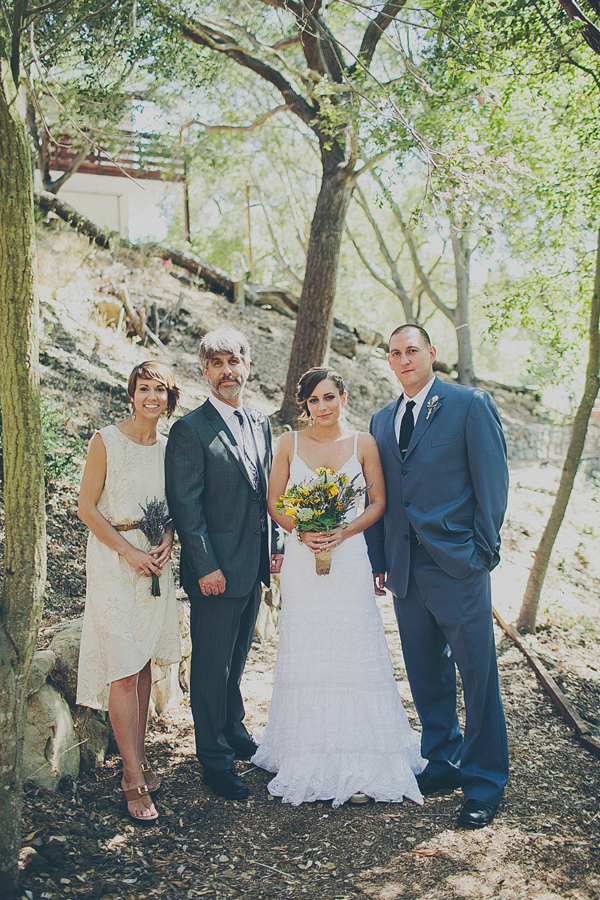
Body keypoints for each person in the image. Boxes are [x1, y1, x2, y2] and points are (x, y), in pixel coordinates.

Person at [251, 367, 425, 808]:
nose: (322, 407)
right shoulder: (287, 444)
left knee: (353, 645)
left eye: (329, 397)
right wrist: (303, 530)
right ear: (304, 404)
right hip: (301, 557)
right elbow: (273, 501)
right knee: (307, 648)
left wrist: (343, 533)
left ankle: (364, 754)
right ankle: (304, 750)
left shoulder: (364, 443)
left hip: (348, 556)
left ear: (343, 397)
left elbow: (380, 501)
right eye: (313, 401)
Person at [365, 324, 509, 829]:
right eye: (395, 353)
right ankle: (443, 761)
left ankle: (485, 781)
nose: (404, 360)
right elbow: (378, 497)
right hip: (406, 570)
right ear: (389, 361)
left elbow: (492, 481)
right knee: (426, 672)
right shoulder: (382, 421)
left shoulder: (469, 404)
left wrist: (482, 553)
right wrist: (378, 558)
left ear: (431, 354)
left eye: (412, 351)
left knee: (477, 675)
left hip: (458, 565)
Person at [165, 327, 284, 801]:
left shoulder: (259, 423)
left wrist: (273, 547)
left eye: (234, 362)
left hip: (251, 566)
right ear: (204, 372)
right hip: (214, 572)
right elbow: (185, 506)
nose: (227, 371)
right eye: (217, 364)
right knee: (211, 668)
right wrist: (205, 565)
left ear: (247, 367)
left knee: (235, 661)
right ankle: (213, 759)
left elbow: (268, 494)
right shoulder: (190, 430)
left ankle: (233, 731)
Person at [77, 361, 182, 823]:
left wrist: (165, 542)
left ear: (169, 398)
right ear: (131, 394)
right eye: (144, 389)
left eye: (160, 390)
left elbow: (174, 507)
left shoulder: (169, 447)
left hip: (154, 563)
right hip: (113, 561)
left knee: (141, 667)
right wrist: (127, 553)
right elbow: (86, 507)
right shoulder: (106, 440)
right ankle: (130, 778)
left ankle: (138, 759)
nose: (151, 398)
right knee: (123, 667)